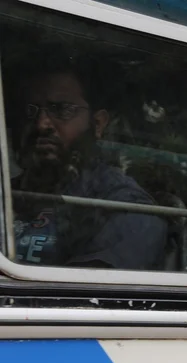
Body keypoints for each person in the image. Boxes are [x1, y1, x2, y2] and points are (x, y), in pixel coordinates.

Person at [10, 53, 167, 269]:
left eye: (61, 109)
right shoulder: (9, 193)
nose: (42, 124)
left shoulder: (120, 203)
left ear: (98, 123)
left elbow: (88, 294)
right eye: (31, 111)